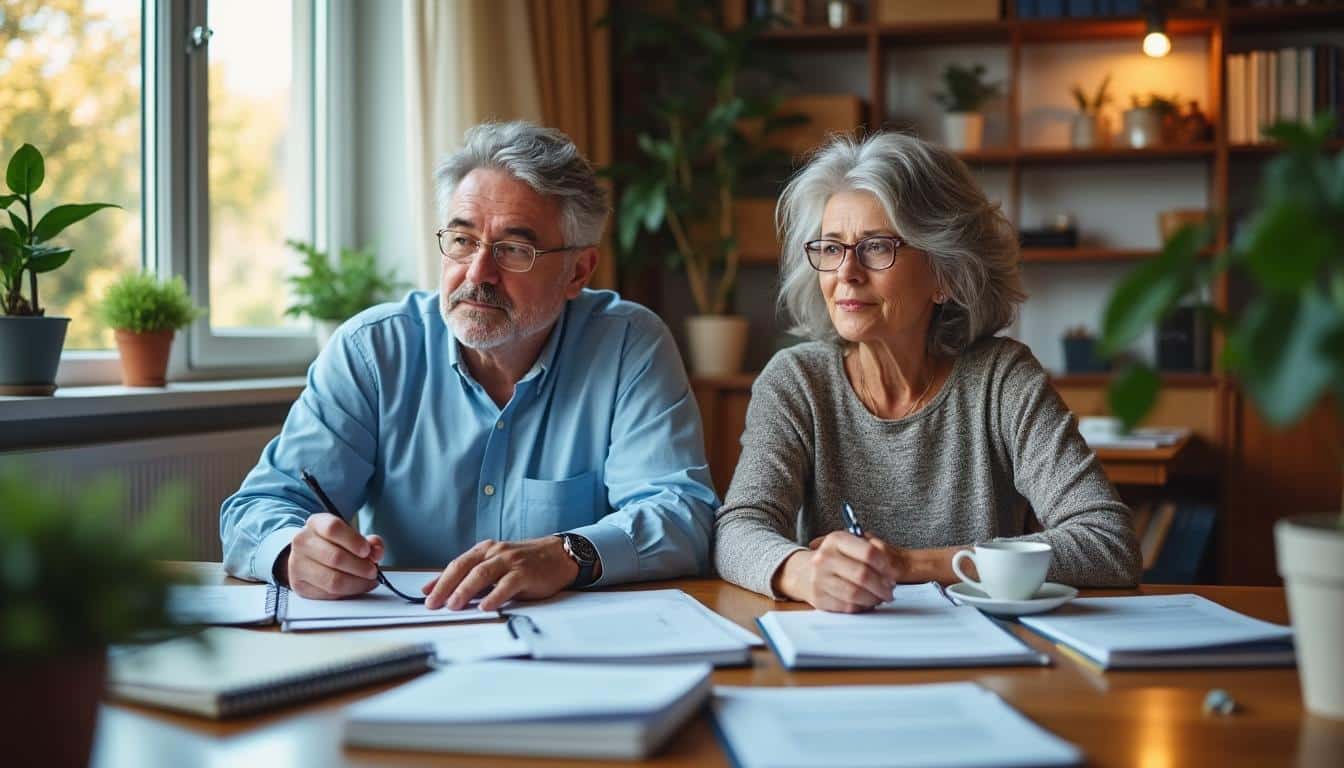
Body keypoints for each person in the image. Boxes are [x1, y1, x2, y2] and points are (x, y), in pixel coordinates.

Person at [221, 121, 717, 611]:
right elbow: (255, 511)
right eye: (461, 241)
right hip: (408, 636)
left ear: (578, 271)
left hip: (568, 648)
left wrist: (567, 553)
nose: (478, 273)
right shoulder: (373, 351)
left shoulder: (628, 345)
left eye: (514, 250)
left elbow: (683, 516)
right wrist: (292, 553)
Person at [713, 131, 1141, 613]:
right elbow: (738, 529)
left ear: (945, 274)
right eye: (831, 248)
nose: (846, 273)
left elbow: (1108, 543)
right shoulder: (796, 381)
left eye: (876, 247)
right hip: (837, 651)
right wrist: (802, 572)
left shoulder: (1002, 379)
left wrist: (913, 566)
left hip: (987, 659)